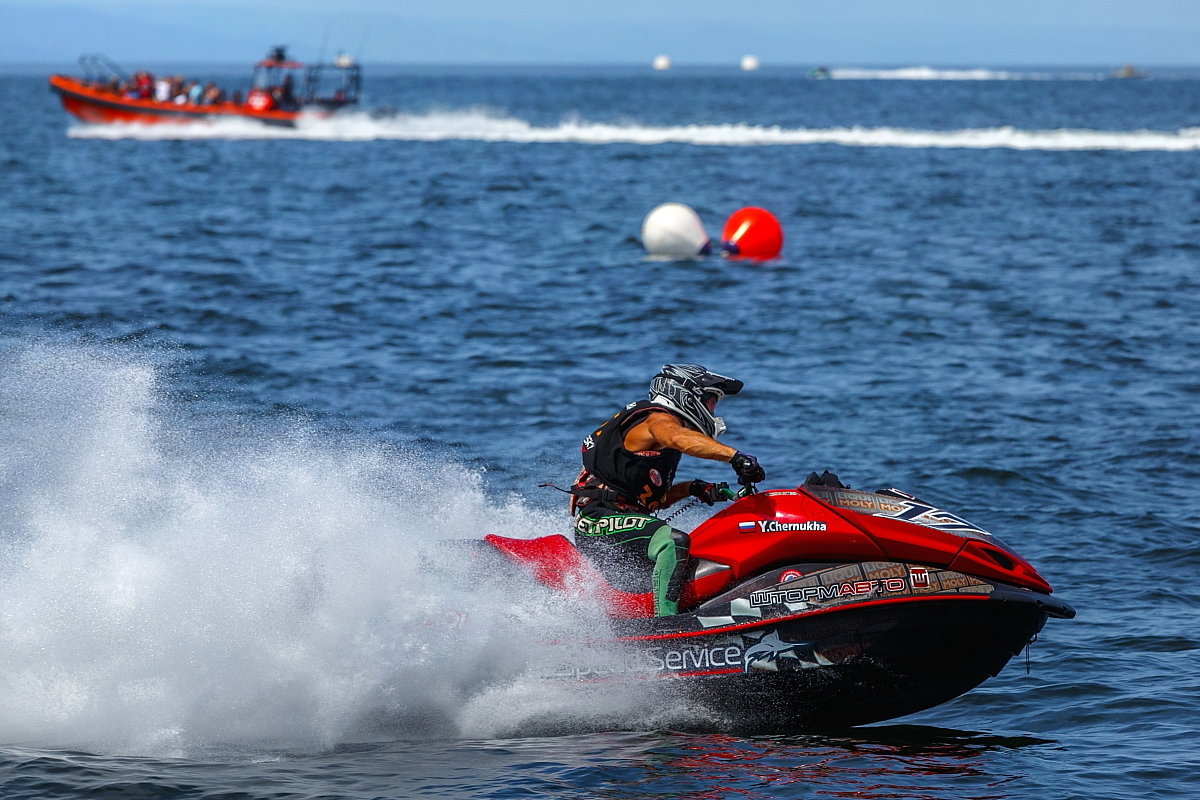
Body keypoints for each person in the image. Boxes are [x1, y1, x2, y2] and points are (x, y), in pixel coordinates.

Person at [569, 364, 766, 616]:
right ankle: (666, 625)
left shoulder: (659, 441)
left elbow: (656, 501)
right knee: (672, 542)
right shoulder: (658, 420)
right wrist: (736, 457)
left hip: (619, 520)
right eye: (710, 401)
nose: (711, 410)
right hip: (599, 519)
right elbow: (678, 438)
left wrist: (694, 488)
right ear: (684, 393)